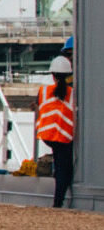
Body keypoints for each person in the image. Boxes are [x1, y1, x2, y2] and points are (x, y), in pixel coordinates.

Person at [37, 54, 75, 209]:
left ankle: (58, 199)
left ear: (52, 75)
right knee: (65, 168)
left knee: (60, 165)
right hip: (64, 136)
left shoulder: (44, 90)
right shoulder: (72, 93)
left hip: (47, 134)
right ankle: (58, 202)